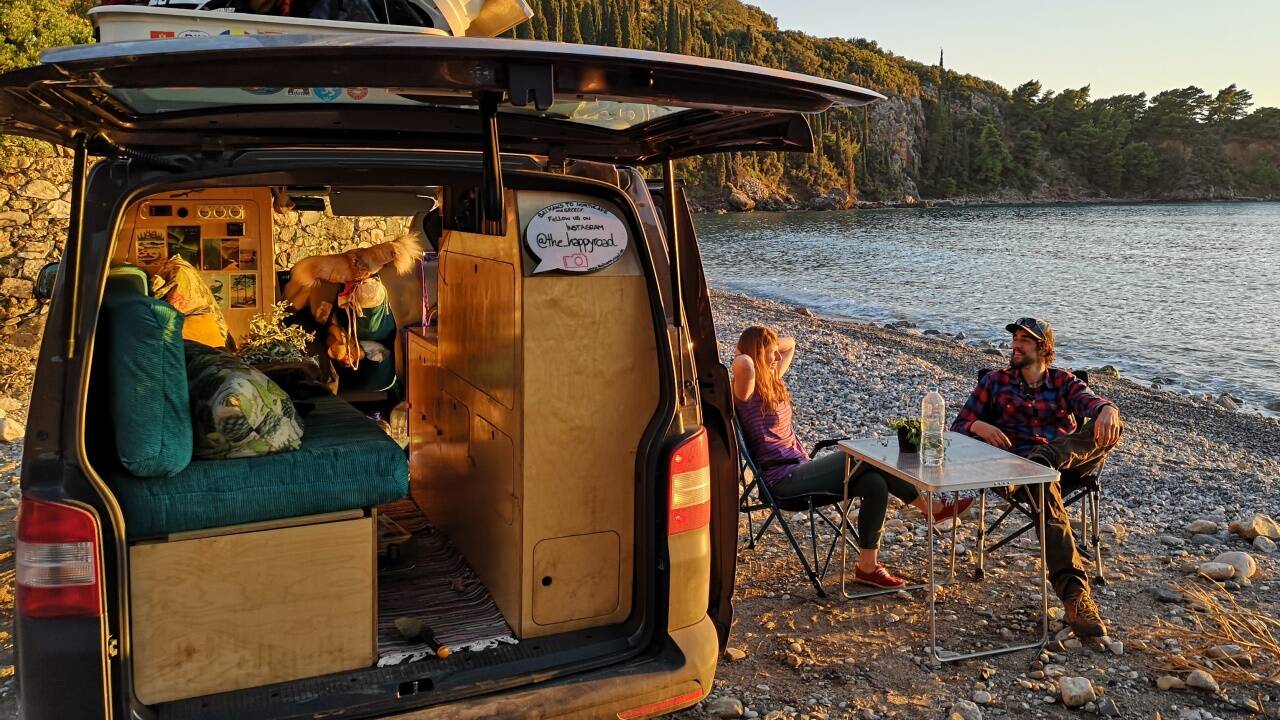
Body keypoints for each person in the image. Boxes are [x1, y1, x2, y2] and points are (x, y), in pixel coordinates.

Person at [733, 325, 973, 589]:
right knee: (865, 456)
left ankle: (867, 567)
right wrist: (750, 347)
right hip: (782, 481)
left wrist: (769, 344)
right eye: (771, 352)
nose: (778, 357)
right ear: (758, 354)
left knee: (874, 483)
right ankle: (933, 509)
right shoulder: (746, 390)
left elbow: (791, 344)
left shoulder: (771, 379)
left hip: (803, 469)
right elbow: (745, 363)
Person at [952, 317, 1123, 638]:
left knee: (1110, 425)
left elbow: (1093, 403)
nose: (1015, 345)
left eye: (1024, 340)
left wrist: (1108, 409)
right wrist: (978, 425)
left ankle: (1045, 459)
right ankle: (1074, 595)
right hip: (1018, 470)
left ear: (1044, 348)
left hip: (1066, 465)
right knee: (1040, 479)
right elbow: (957, 426)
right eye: (1015, 339)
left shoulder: (1063, 381)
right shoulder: (995, 381)